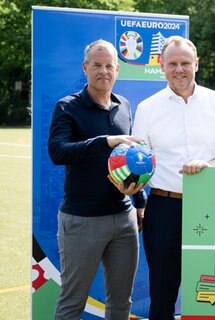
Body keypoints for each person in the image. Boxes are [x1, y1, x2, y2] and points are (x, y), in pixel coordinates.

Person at [132, 36, 215, 320]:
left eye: (185, 63)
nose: (179, 69)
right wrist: (132, 188)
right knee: (163, 293)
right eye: (172, 64)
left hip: (211, 206)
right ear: (161, 65)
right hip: (164, 208)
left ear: (197, 64)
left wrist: (208, 165)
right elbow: (140, 160)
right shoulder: (147, 108)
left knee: (211, 292)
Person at [48, 39, 146, 319]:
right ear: (85, 68)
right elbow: (58, 151)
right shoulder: (67, 107)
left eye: (109, 66)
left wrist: (139, 201)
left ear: (117, 69)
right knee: (72, 302)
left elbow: (131, 158)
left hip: (123, 219)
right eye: (97, 65)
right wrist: (104, 141)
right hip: (82, 220)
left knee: (121, 304)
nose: (104, 71)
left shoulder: (124, 105)